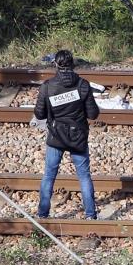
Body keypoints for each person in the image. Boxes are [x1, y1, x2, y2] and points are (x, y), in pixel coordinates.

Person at [34, 50, 100, 219]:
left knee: (49, 175)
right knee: (84, 175)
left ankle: (43, 214)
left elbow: (40, 114)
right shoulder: (83, 85)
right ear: (73, 64)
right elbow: (93, 114)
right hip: (78, 136)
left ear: (56, 65)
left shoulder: (47, 86)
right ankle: (90, 215)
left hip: (56, 137)